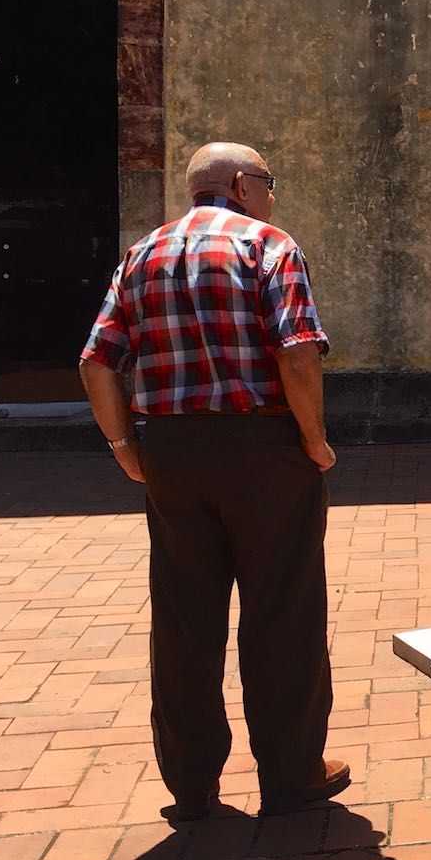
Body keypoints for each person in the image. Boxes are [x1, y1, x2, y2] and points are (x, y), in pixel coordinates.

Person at [77, 143, 348, 823]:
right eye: (267, 181)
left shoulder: (142, 254)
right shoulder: (268, 246)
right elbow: (296, 349)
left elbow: (97, 362)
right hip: (263, 446)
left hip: (170, 447)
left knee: (183, 618)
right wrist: (313, 439)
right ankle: (291, 775)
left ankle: (191, 783)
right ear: (238, 184)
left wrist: (122, 446)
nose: (271, 194)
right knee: (283, 611)